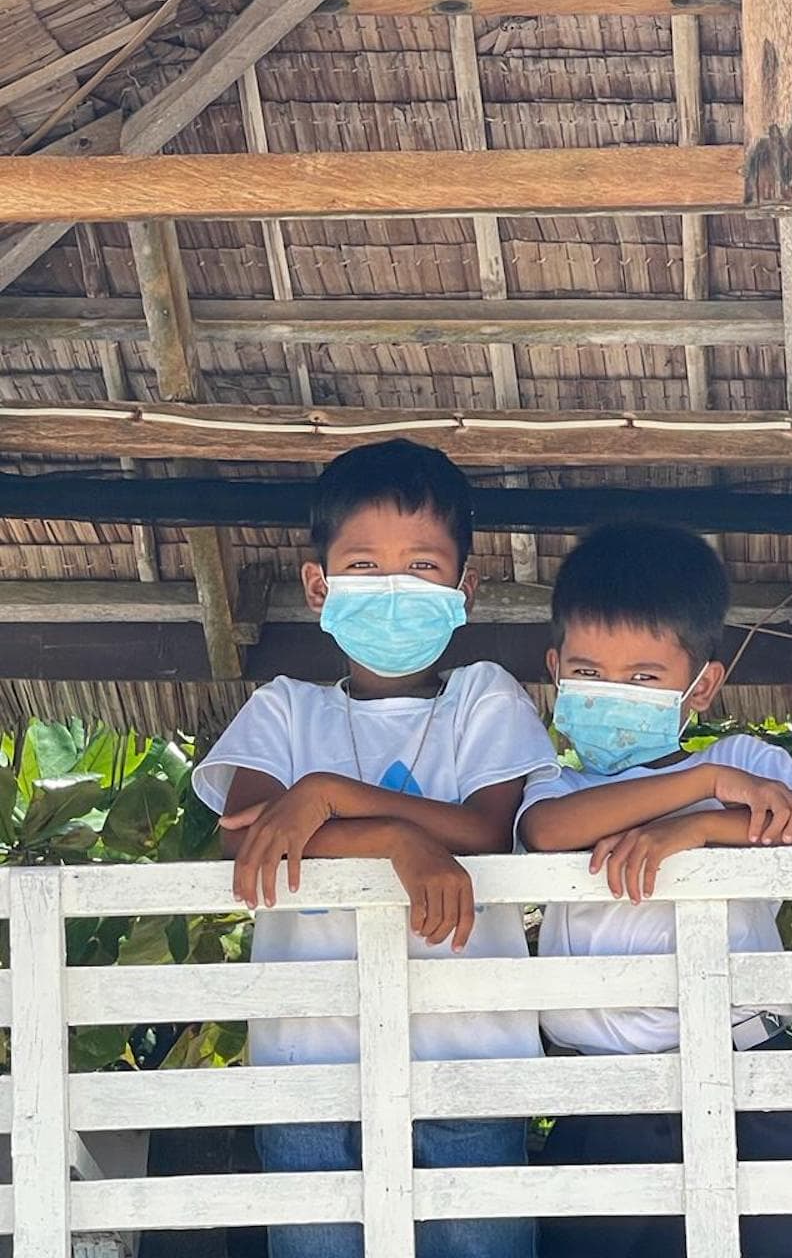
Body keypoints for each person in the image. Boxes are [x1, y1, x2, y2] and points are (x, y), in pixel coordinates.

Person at [193, 439, 558, 1258]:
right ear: (318, 584)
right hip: (305, 1057)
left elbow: (486, 830)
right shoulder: (283, 709)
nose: (393, 589)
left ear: (465, 587)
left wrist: (325, 797)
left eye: (421, 567)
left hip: (472, 1054)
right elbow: (248, 839)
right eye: (364, 565)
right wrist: (398, 840)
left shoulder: (484, 698)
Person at [517, 521, 792, 1258]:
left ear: (702, 685)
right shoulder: (556, 778)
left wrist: (703, 828)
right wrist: (701, 787)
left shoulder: (743, 757)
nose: (613, 693)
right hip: (606, 1099)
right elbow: (547, 833)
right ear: (555, 670)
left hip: (754, 1076)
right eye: (588, 674)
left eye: (644, 677)